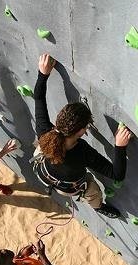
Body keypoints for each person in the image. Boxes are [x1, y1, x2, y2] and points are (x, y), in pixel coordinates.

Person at [32, 53, 132, 218]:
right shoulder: (83, 153)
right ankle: (99, 207)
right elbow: (117, 174)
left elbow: (38, 98)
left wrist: (43, 74)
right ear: (81, 131)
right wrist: (120, 146)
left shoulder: (45, 132)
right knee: (93, 192)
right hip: (68, 187)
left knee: (41, 148)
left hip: (44, 171)